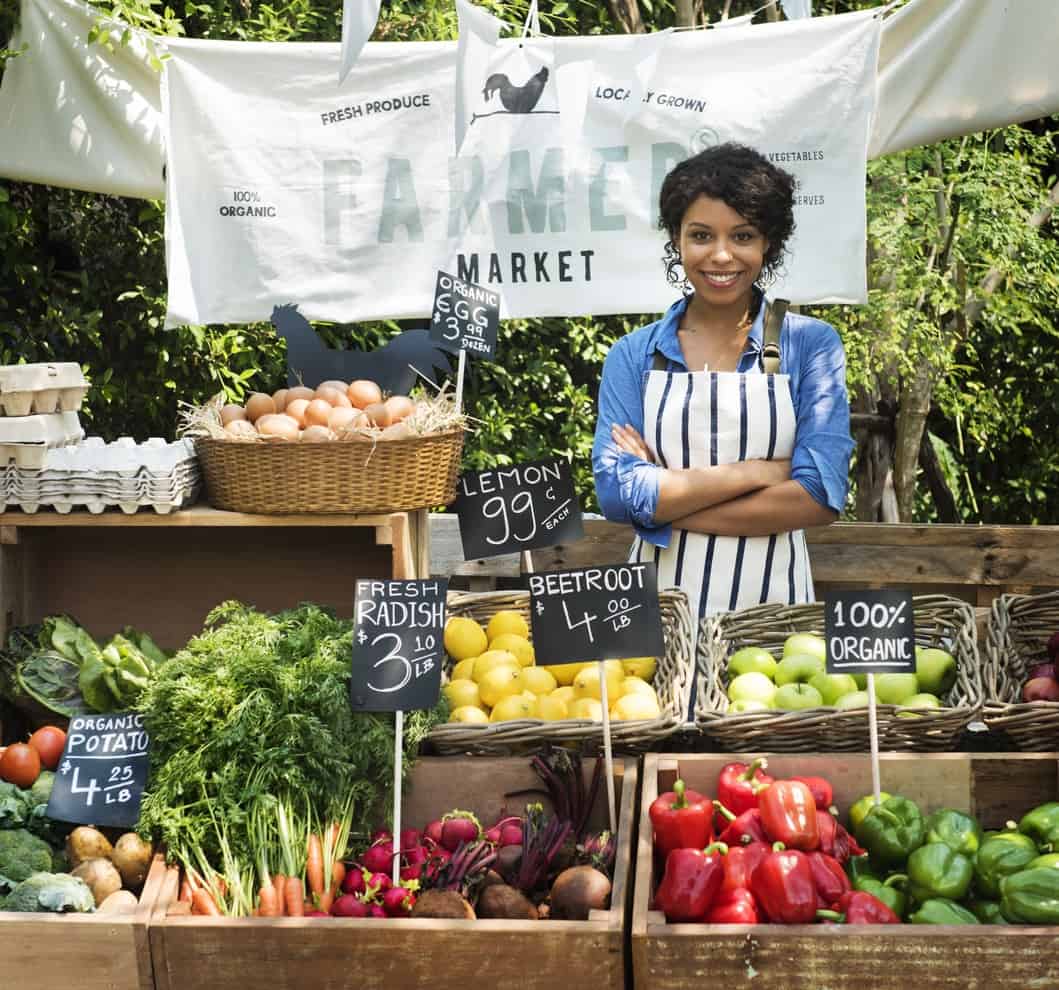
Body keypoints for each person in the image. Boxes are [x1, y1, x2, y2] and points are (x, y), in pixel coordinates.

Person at [592, 142, 853, 631]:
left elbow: (819, 497)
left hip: (774, 622)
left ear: (768, 243)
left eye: (743, 235)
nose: (721, 255)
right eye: (700, 235)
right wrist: (760, 471)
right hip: (651, 617)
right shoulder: (634, 355)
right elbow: (616, 496)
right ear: (676, 240)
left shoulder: (810, 346)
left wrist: (659, 506)